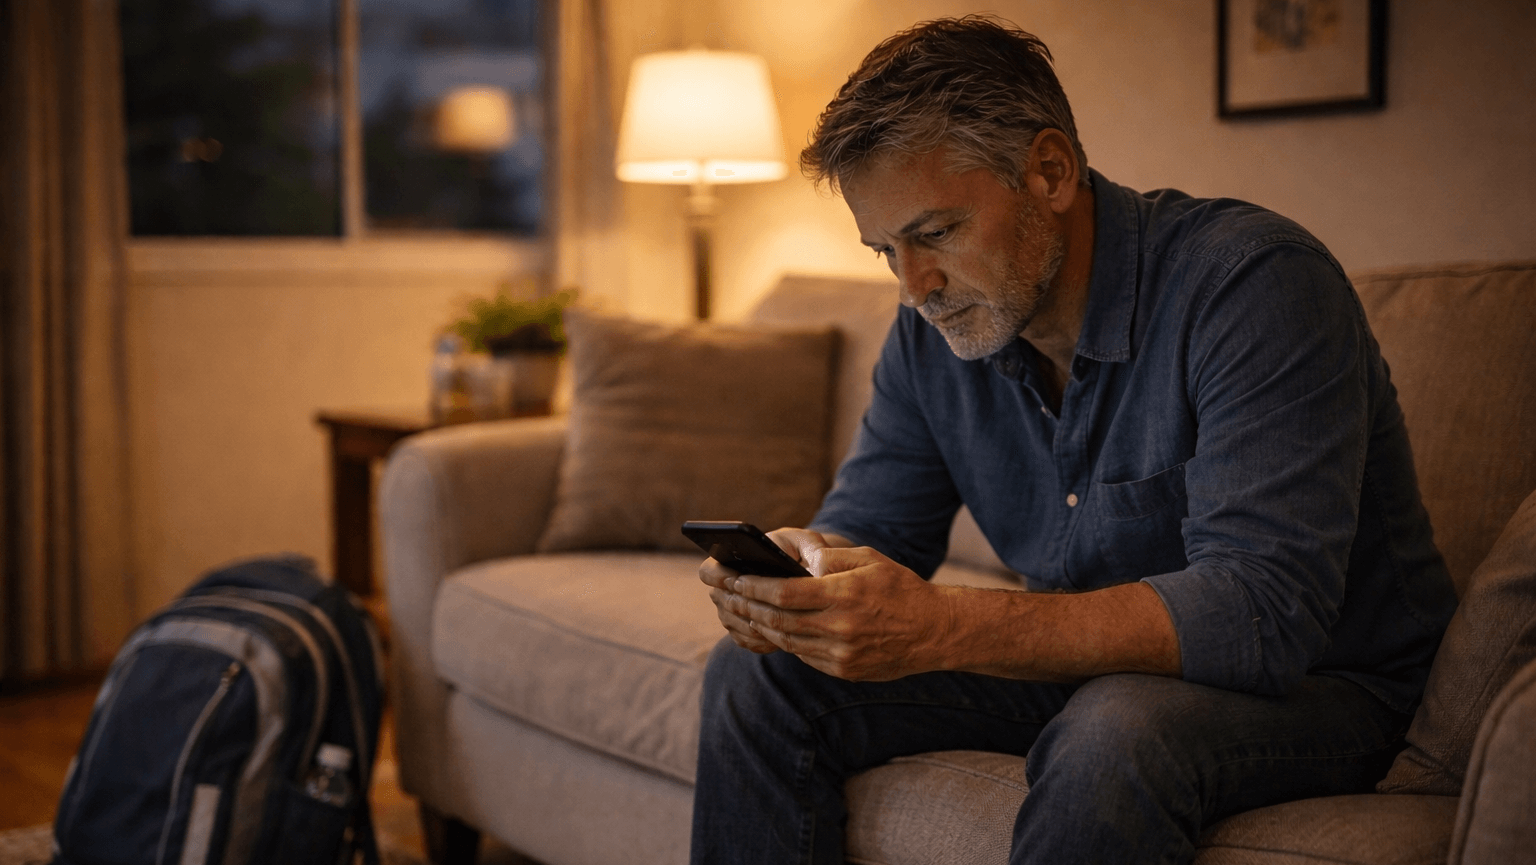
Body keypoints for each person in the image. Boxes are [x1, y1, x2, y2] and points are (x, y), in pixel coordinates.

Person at [690, 15, 1457, 865]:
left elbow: (1261, 613)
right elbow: (870, 530)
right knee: (754, 677)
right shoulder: (933, 335)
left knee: (1116, 730)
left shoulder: (1254, 285)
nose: (914, 287)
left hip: (1330, 688)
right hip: (1086, 669)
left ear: (1050, 171)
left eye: (936, 232)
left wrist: (944, 625)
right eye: (886, 249)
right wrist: (802, 586)